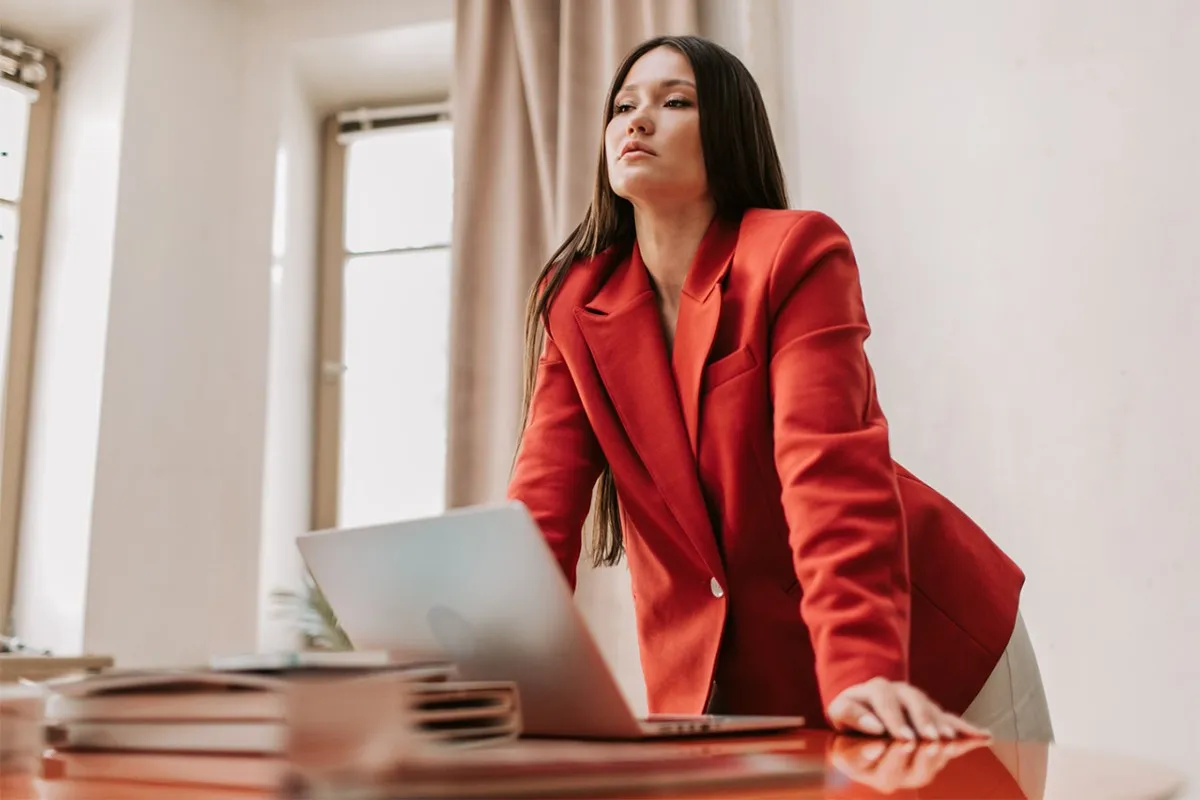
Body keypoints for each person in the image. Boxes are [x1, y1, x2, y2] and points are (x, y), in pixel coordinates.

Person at [507, 34, 1054, 742]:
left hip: (922, 663)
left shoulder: (794, 253)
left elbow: (828, 471)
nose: (636, 121)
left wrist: (863, 667)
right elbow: (540, 508)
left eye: (675, 102)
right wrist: (492, 681)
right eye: (623, 106)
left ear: (729, 132)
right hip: (729, 695)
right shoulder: (576, 303)